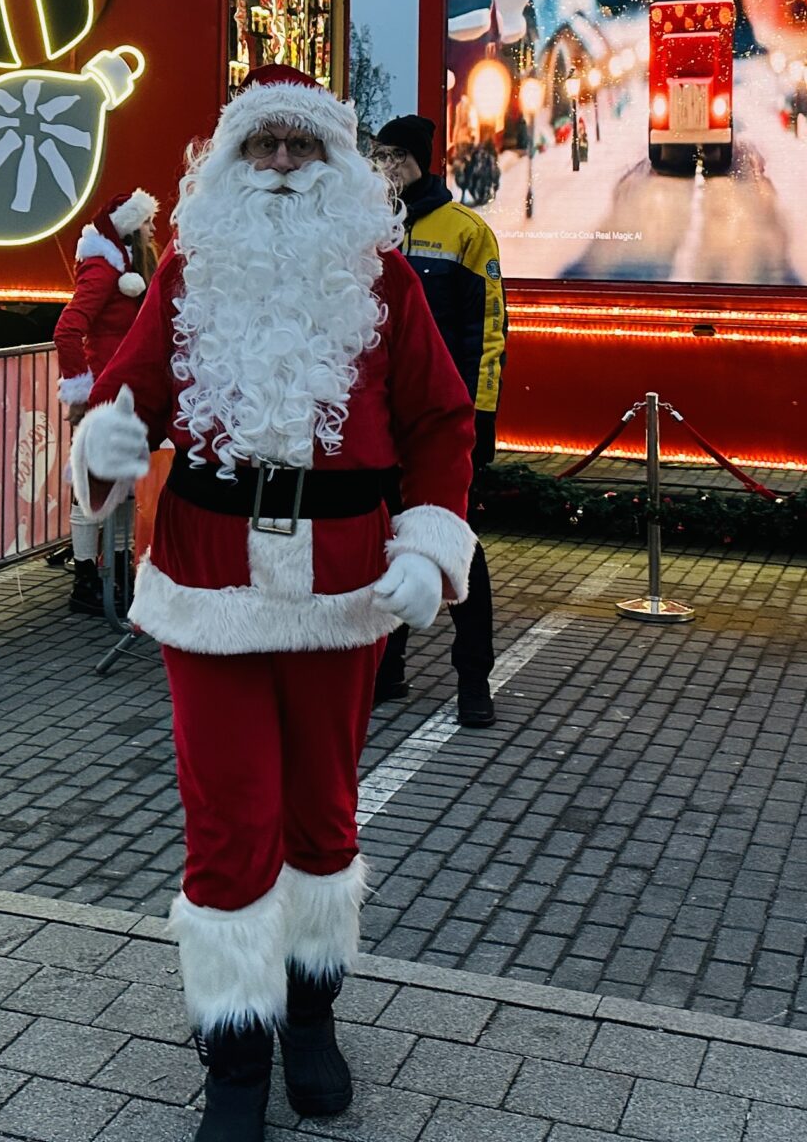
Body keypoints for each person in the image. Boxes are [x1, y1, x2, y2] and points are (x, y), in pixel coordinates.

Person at [71, 66, 476, 1142]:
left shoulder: (382, 276)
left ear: (338, 162)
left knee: (323, 813)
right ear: (232, 160)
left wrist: (430, 543)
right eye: (264, 146)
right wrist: (106, 443)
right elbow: (130, 390)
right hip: (209, 583)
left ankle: (310, 1012)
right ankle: (236, 1053)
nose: (284, 165)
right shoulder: (190, 267)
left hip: (341, 586)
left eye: (303, 146)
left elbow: (440, 421)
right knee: (229, 814)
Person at [365, 113, 502, 728]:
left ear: (414, 161)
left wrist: (482, 416)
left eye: (390, 156)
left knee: (456, 545)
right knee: (386, 540)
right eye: (379, 156)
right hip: (383, 421)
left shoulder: (467, 232)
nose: (382, 167)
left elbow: (488, 333)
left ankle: (474, 678)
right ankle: (387, 668)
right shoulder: (370, 229)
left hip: (442, 424)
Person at [52, 185, 160, 615]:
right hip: (106, 391)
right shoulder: (103, 268)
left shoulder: (131, 266)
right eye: (147, 222)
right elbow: (67, 330)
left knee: (121, 485)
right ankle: (86, 581)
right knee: (93, 483)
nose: (154, 229)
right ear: (130, 229)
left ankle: (115, 574)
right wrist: (81, 391)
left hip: (126, 390)